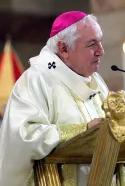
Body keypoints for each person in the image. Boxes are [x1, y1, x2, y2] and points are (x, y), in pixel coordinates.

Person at [0, 11, 109, 186]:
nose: (101, 51)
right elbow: (24, 136)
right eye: (92, 44)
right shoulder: (36, 80)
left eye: (100, 42)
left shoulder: (98, 83)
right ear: (64, 48)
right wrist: (82, 130)